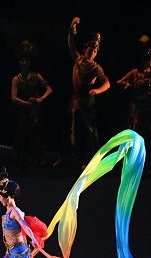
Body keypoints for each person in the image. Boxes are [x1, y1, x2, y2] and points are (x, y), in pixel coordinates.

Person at [55, 17, 110, 169]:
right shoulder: (78, 59)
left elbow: (107, 83)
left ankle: (88, 160)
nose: (92, 52)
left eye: (95, 50)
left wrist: (97, 90)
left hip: (87, 102)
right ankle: (65, 157)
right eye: (90, 49)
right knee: (69, 128)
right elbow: (71, 44)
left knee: (87, 132)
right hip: (75, 99)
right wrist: (72, 28)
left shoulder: (95, 68)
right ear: (86, 48)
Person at [116, 36, 151, 168]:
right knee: (133, 134)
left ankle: (146, 162)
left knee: (147, 133)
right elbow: (119, 82)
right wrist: (126, 84)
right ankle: (130, 161)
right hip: (135, 108)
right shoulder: (135, 73)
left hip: (147, 108)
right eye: (150, 59)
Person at [10, 40, 53, 168]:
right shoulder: (16, 79)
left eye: (26, 60)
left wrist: (40, 99)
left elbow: (49, 89)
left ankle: (39, 159)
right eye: (22, 60)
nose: (24, 63)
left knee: (37, 136)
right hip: (23, 112)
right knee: (22, 135)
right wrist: (25, 104)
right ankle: (21, 160)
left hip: (36, 111)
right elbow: (13, 98)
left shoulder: (36, 76)